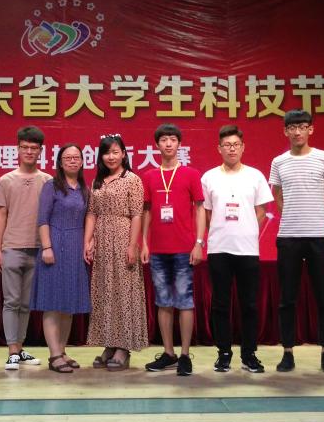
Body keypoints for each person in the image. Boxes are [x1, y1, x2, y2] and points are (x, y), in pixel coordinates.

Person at [269, 109, 324, 374]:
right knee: (287, 298)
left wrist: (319, 219)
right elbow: (277, 195)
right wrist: (293, 216)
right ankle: (287, 353)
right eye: (292, 127)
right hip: (288, 237)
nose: (297, 131)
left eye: (302, 126)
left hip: (319, 236)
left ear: (311, 129)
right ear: (285, 131)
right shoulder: (279, 161)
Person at [200, 124, 273, 373]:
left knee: (249, 304)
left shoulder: (255, 176)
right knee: (220, 304)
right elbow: (207, 212)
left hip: (247, 249)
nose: (231, 149)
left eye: (236, 145)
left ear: (243, 147)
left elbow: (261, 211)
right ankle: (223, 353)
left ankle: (249, 354)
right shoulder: (209, 177)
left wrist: (248, 229)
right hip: (219, 248)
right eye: (227, 145)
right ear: (219, 148)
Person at [140, 124, 205, 376]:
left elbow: (199, 209)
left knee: (185, 302)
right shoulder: (149, 176)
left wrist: (199, 243)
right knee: (163, 302)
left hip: (184, 249)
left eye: (173, 139)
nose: (168, 144)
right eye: (164, 140)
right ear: (157, 145)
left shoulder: (191, 174)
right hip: (158, 250)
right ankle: (169, 353)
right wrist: (144, 243)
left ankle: (185, 355)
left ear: (179, 144)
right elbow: (146, 210)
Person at [84, 134, 148, 370]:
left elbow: (137, 215)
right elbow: (92, 213)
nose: (111, 157)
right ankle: (109, 344)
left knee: (123, 292)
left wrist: (132, 245)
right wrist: (88, 240)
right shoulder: (97, 180)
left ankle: (123, 347)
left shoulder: (132, 179)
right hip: (102, 240)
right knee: (104, 291)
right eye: (106, 152)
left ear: (123, 154)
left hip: (123, 237)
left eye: (115, 152)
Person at [0, 126, 52, 370]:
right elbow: (1, 215)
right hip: (12, 247)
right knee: (12, 301)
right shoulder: (6, 180)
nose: (29, 151)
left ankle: (20, 347)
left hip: (37, 249)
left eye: (33, 148)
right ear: (17, 149)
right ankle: (12, 350)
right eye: (25, 147)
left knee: (26, 302)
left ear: (40, 151)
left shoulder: (47, 181)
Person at [32, 144, 91, 373]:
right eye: (68, 158)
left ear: (82, 161)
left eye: (76, 157)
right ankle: (54, 354)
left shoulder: (85, 189)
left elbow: (89, 219)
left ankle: (62, 351)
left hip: (76, 248)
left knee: (69, 305)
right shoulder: (51, 186)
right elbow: (42, 219)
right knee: (52, 303)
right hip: (55, 245)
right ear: (60, 162)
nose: (72, 161)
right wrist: (47, 247)